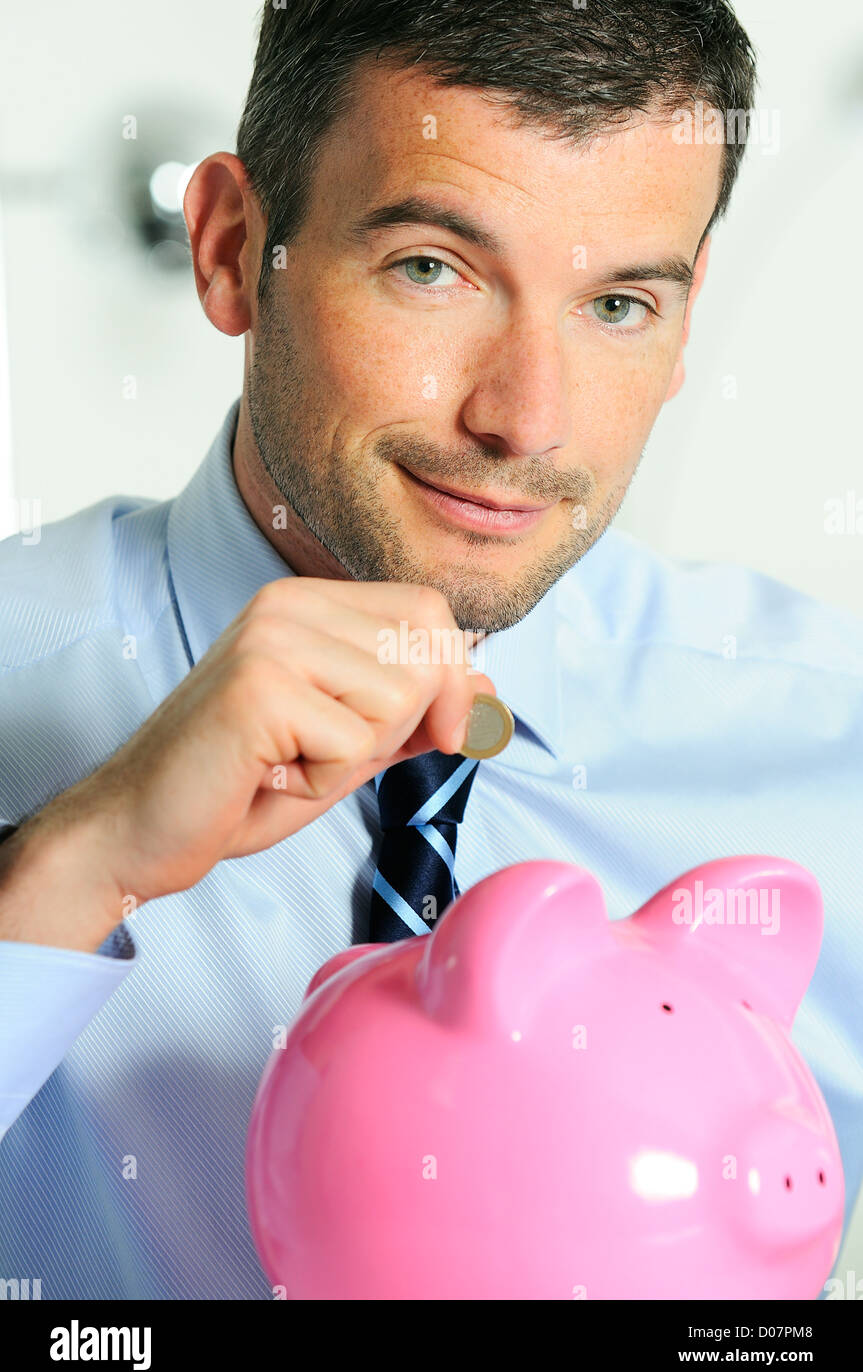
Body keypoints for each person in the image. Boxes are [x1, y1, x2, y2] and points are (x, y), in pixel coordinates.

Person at [1, 0, 860, 1300]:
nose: (525, 417)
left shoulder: (829, 751)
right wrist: (68, 871)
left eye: (618, 302)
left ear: (685, 331)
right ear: (235, 248)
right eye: (432, 269)